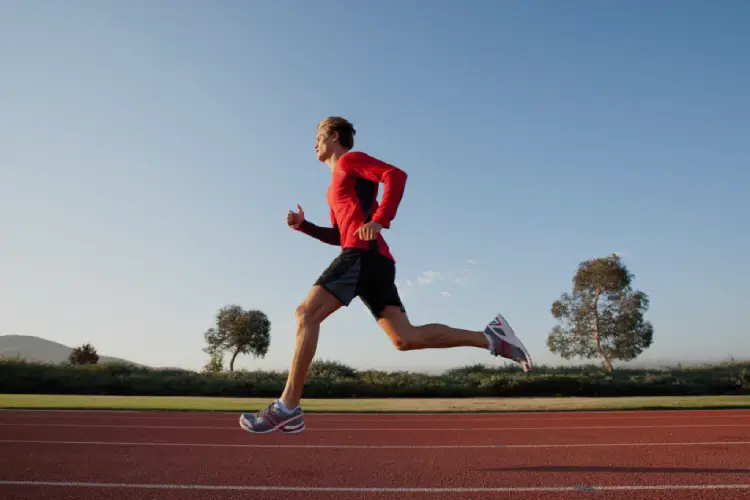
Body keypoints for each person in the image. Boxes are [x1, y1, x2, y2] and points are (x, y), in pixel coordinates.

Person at [239, 116, 532, 434]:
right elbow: (340, 234)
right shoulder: (332, 189)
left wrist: (380, 220)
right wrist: (303, 226)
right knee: (405, 339)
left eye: (318, 137)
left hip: (363, 256)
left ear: (335, 137)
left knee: (305, 314)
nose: (314, 143)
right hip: (371, 259)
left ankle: (288, 407)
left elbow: (395, 175)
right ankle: (491, 338)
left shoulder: (350, 161)